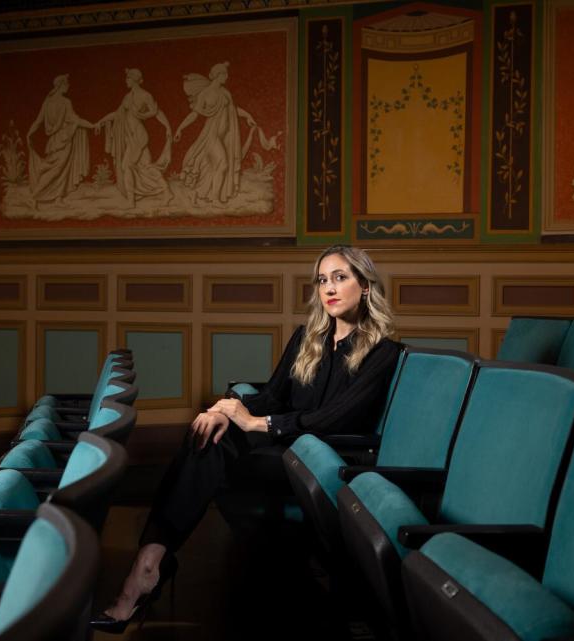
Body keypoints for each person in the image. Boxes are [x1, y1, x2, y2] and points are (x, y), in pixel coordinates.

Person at [91, 245, 401, 633]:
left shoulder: (384, 351)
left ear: (366, 286)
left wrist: (258, 424)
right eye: (323, 280)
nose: (329, 289)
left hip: (325, 461)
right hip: (287, 446)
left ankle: (147, 572)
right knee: (206, 434)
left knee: (215, 446)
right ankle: (148, 563)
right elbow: (273, 394)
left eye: (341, 277)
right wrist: (224, 408)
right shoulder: (308, 338)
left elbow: (332, 418)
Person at [175, 61, 276, 204]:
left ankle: (199, 194)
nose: (227, 77)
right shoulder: (206, 94)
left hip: (223, 137)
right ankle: (215, 199)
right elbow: (194, 114)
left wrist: (248, 116)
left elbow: (233, 110)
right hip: (211, 136)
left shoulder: (225, 93)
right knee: (222, 165)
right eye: (224, 74)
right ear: (217, 75)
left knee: (213, 168)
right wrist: (180, 128)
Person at [95, 68, 173, 208]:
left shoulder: (145, 95)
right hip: (131, 137)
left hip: (138, 136)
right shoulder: (127, 97)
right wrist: (101, 121)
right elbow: (117, 114)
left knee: (126, 166)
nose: (126, 81)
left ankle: (131, 201)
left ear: (134, 79)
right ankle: (167, 192)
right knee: (146, 167)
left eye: (128, 78)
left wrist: (167, 126)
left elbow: (156, 112)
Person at [26, 74, 96, 204]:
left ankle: (58, 198)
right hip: (62, 139)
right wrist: (92, 125)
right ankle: (34, 196)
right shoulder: (65, 102)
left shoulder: (48, 102)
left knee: (62, 169)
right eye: (66, 84)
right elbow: (76, 120)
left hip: (55, 141)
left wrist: (30, 132)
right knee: (56, 169)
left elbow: (38, 121)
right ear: (60, 85)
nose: (68, 86)